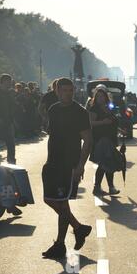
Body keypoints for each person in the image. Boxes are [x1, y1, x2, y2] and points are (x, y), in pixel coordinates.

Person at [41, 78, 92, 259]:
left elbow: (87, 140)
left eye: (70, 90)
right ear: (57, 91)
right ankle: (78, 228)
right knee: (49, 199)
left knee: (62, 202)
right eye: (64, 90)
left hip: (68, 165)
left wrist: (80, 166)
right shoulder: (53, 109)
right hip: (52, 162)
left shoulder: (80, 112)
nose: (68, 94)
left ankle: (60, 245)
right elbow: (51, 134)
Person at [88, 85, 120, 196]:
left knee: (108, 163)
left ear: (106, 97)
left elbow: (111, 120)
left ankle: (106, 187)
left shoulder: (108, 108)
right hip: (100, 139)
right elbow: (90, 123)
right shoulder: (94, 109)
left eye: (102, 96)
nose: (100, 98)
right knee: (105, 164)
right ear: (95, 98)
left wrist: (120, 129)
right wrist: (102, 122)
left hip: (110, 138)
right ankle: (102, 187)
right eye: (98, 97)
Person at [0, 74, 17, 165]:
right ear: (3, 81)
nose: (10, 83)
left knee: (11, 144)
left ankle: (11, 163)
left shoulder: (10, 93)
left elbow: (13, 106)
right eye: (8, 81)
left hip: (8, 122)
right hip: (0, 122)